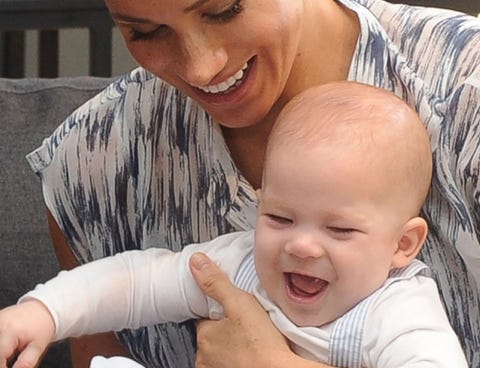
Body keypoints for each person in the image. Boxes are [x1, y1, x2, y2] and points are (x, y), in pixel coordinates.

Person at [21, 0, 480, 366]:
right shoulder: (94, 166)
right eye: (145, 32)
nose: (200, 69)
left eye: (225, 9)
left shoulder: (464, 96)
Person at [0, 82, 468, 368]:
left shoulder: (399, 314)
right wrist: (42, 312)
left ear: (402, 245)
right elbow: (137, 282)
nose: (302, 246)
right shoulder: (239, 264)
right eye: (280, 218)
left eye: (340, 230)